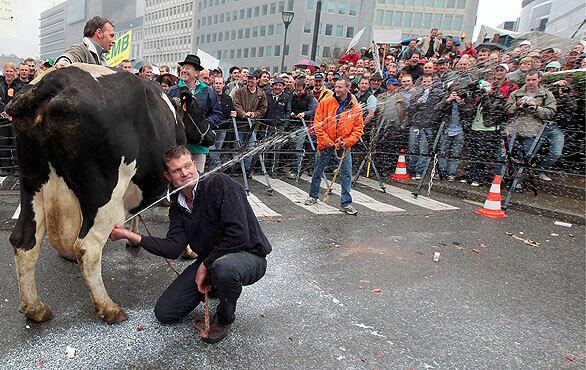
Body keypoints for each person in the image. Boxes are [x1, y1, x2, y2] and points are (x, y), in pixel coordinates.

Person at [110, 145, 271, 344]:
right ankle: (218, 286)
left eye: (187, 166)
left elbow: (238, 236)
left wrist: (205, 265)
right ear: (168, 176)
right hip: (214, 260)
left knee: (223, 269)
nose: (185, 173)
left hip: (248, 255)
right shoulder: (178, 206)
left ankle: (225, 317)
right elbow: (172, 248)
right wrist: (127, 234)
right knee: (165, 312)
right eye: (177, 170)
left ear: (194, 165)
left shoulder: (220, 183)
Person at [305, 77, 364, 215]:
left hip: (344, 146)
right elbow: (318, 124)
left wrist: (347, 142)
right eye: (336, 87)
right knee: (318, 171)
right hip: (326, 144)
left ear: (347, 88)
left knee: (346, 174)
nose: (336, 89)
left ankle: (346, 203)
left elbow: (358, 129)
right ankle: (313, 196)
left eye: (340, 87)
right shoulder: (325, 102)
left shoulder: (355, 107)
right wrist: (326, 140)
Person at [168, 54, 223, 173]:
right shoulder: (173, 90)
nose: (184, 70)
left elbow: (217, 114)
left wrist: (202, 125)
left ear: (197, 72)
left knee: (195, 179)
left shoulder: (208, 91)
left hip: (199, 145)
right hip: (177, 145)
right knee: (178, 179)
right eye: (183, 68)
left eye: (188, 68)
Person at [506, 70, 557, 183]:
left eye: (534, 79)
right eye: (528, 80)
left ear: (539, 79)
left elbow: (551, 113)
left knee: (525, 158)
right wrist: (517, 105)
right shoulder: (516, 93)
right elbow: (507, 110)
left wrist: (536, 108)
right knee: (510, 157)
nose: (531, 82)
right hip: (515, 130)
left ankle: (518, 181)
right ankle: (511, 179)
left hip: (534, 131)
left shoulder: (546, 94)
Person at [232, 70, 268, 175]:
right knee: (238, 147)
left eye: (252, 78)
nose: (250, 80)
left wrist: (254, 114)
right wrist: (244, 114)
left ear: (257, 80)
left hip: (253, 126)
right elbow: (236, 105)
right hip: (241, 124)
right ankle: (237, 168)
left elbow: (263, 109)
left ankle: (247, 170)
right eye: (249, 78)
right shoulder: (239, 91)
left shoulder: (261, 94)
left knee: (250, 148)